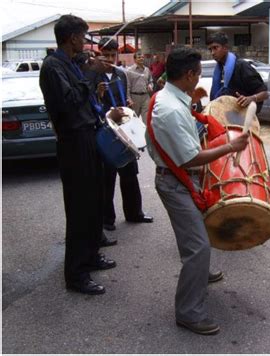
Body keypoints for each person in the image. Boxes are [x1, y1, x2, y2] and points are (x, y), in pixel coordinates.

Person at [147, 47, 249, 335]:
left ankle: (200, 273)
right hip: (175, 180)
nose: (199, 79)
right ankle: (188, 312)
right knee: (197, 245)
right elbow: (189, 158)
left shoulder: (171, 98)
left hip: (177, 177)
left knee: (195, 235)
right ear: (189, 74)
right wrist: (229, 146)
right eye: (198, 74)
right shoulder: (170, 109)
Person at [39, 14, 116, 295]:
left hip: (88, 136)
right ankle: (76, 274)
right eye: (83, 36)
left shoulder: (71, 64)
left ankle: (91, 255)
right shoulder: (53, 66)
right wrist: (91, 73)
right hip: (73, 142)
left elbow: (83, 98)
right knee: (79, 207)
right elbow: (68, 102)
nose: (84, 42)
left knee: (95, 200)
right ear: (72, 38)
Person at [92, 37, 153, 231]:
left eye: (113, 55)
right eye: (106, 55)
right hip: (105, 132)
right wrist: (104, 105)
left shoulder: (121, 73)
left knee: (130, 174)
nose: (110, 59)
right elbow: (89, 105)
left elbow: (123, 95)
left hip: (123, 130)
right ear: (99, 54)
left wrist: (127, 104)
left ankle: (135, 213)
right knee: (106, 179)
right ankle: (107, 219)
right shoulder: (92, 75)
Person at [207, 32, 268, 112]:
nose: (212, 53)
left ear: (225, 48)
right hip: (223, 116)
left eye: (215, 48)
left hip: (242, 118)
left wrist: (250, 98)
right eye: (210, 49)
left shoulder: (242, 66)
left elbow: (264, 94)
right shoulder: (219, 69)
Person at [127, 51, 153, 122]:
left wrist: (150, 85)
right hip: (135, 97)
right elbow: (127, 86)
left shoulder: (147, 70)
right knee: (133, 119)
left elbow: (150, 81)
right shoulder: (129, 71)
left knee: (147, 119)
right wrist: (129, 99)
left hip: (146, 97)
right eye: (139, 57)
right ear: (135, 59)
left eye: (142, 57)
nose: (141, 59)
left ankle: (145, 133)